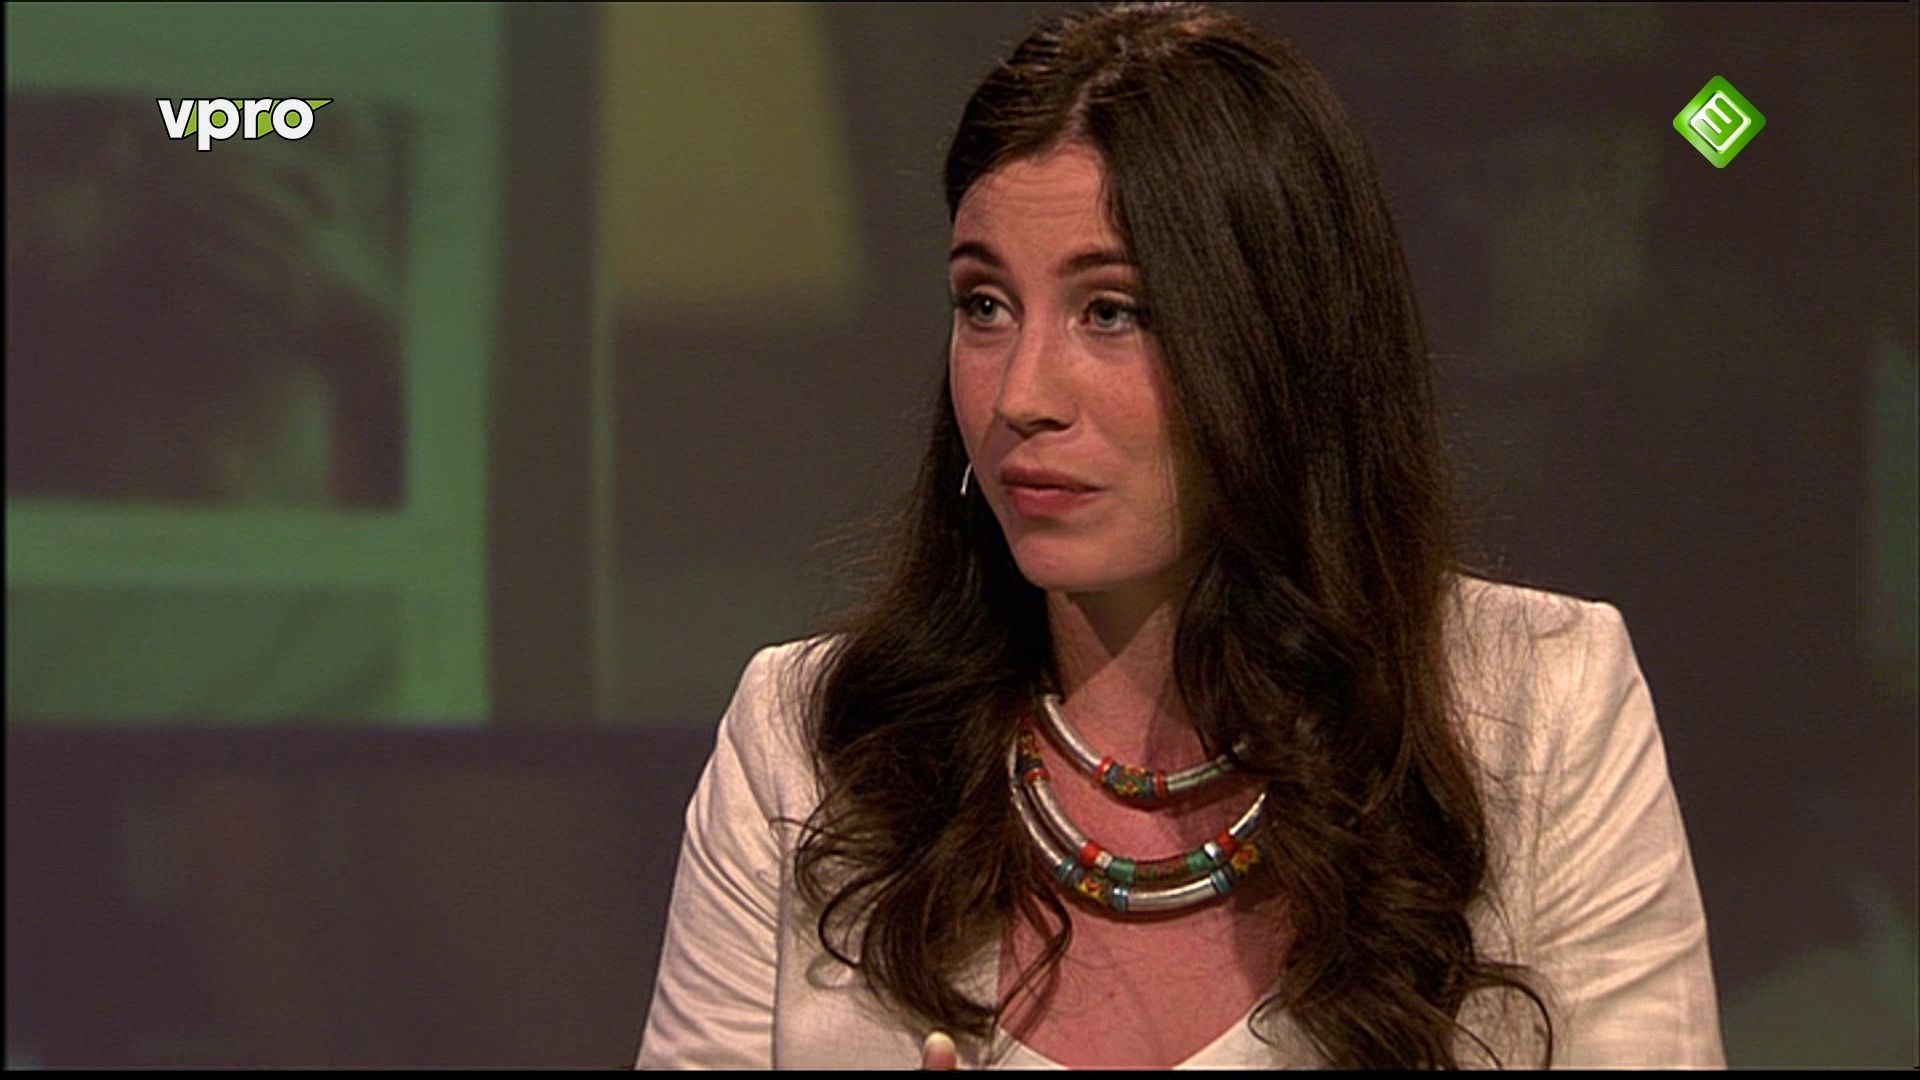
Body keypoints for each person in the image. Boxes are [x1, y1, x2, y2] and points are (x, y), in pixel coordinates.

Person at [636, 2, 1724, 1069]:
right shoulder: (807, 748)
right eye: (985, 305)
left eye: (1110, 311)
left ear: (1274, 340)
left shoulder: (1538, 709)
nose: (1022, 396)